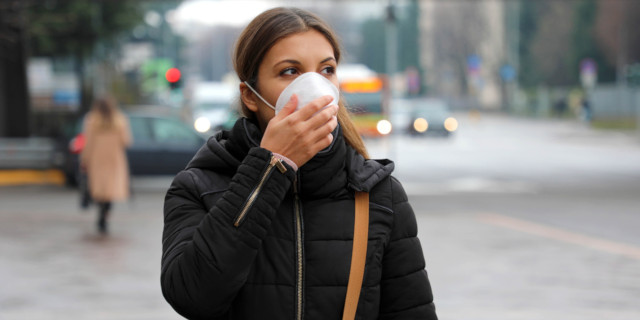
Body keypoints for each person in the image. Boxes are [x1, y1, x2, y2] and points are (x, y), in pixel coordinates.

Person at [162, 7, 437, 319]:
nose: (314, 87)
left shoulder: (379, 194)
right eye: (290, 71)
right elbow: (192, 297)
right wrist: (270, 169)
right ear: (250, 96)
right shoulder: (198, 186)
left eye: (326, 70)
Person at [80, 96, 132, 234]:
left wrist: (84, 159)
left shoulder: (91, 120)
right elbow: (126, 141)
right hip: (115, 159)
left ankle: (101, 212)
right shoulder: (120, 120)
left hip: (97, 159)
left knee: (99, 189)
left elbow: (88, 143)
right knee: (110, 190)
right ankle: (105, 215)